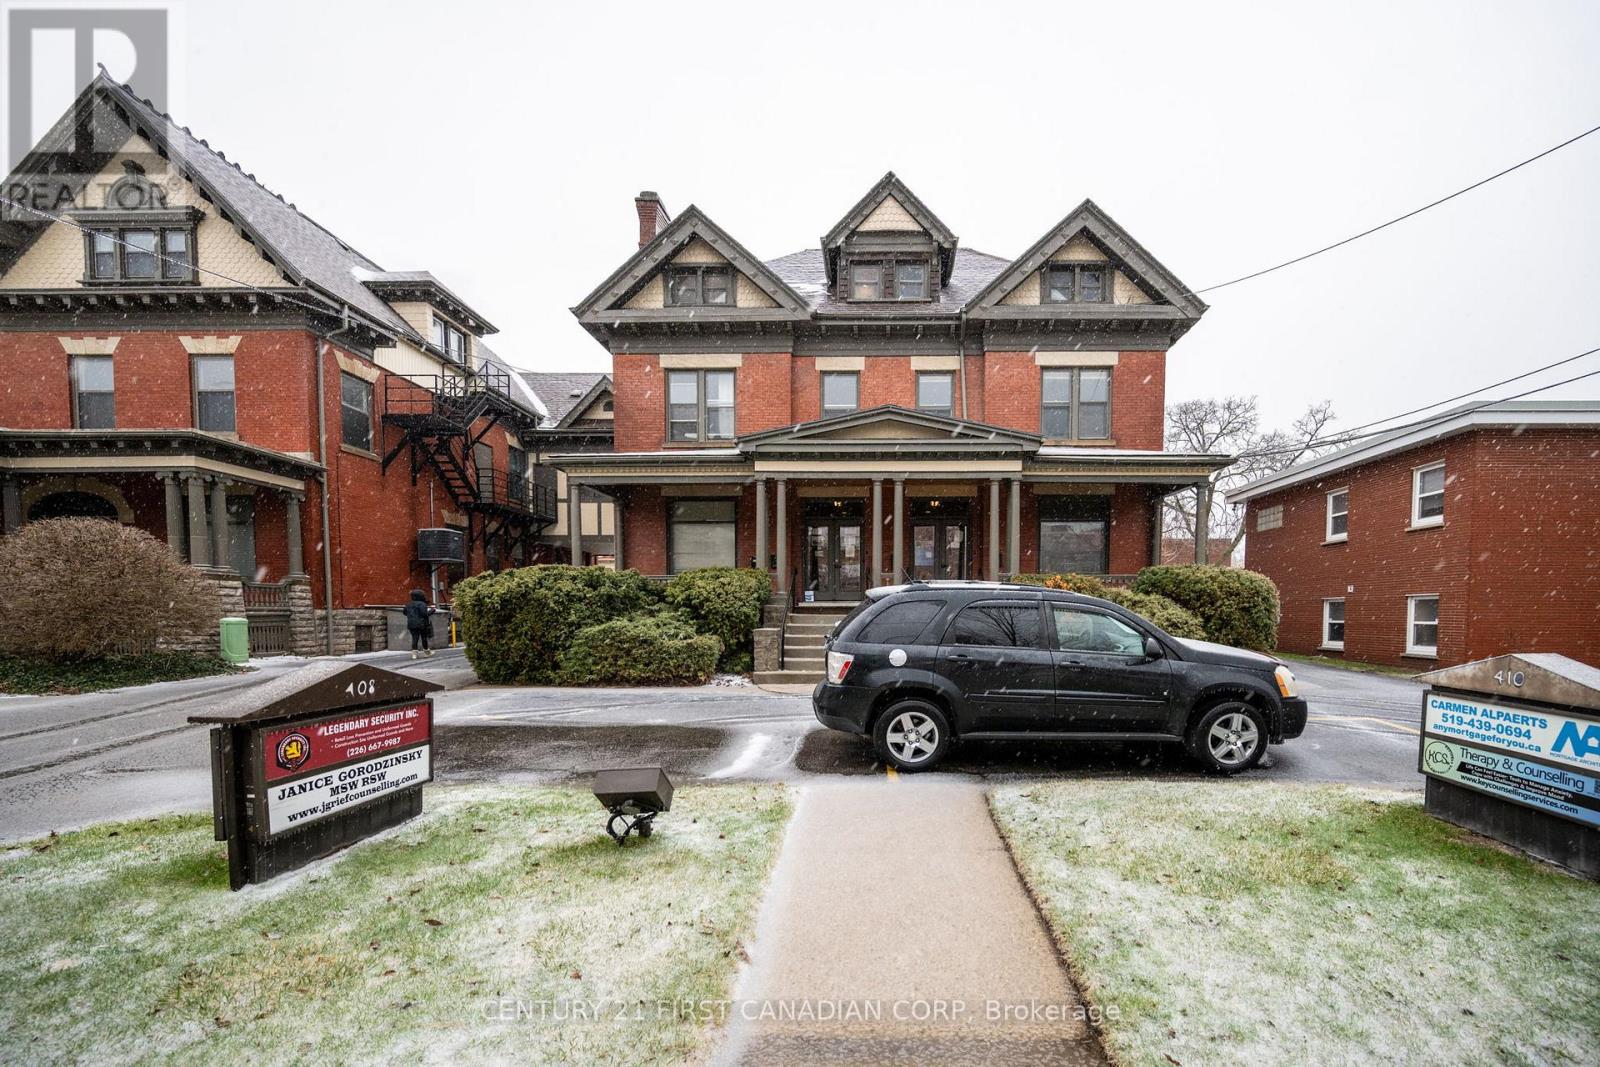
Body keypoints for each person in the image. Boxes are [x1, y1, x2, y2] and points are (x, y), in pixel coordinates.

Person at [403, 589, 435, 659]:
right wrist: (432, 611)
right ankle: (427, 652)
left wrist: (412, 616)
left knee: (415, 638)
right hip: (422, 624)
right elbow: (424, 614)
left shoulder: (408, 604)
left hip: (411, 624)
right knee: (424, 638)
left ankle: (414, 654)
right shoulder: (422, 604)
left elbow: (405, 612)